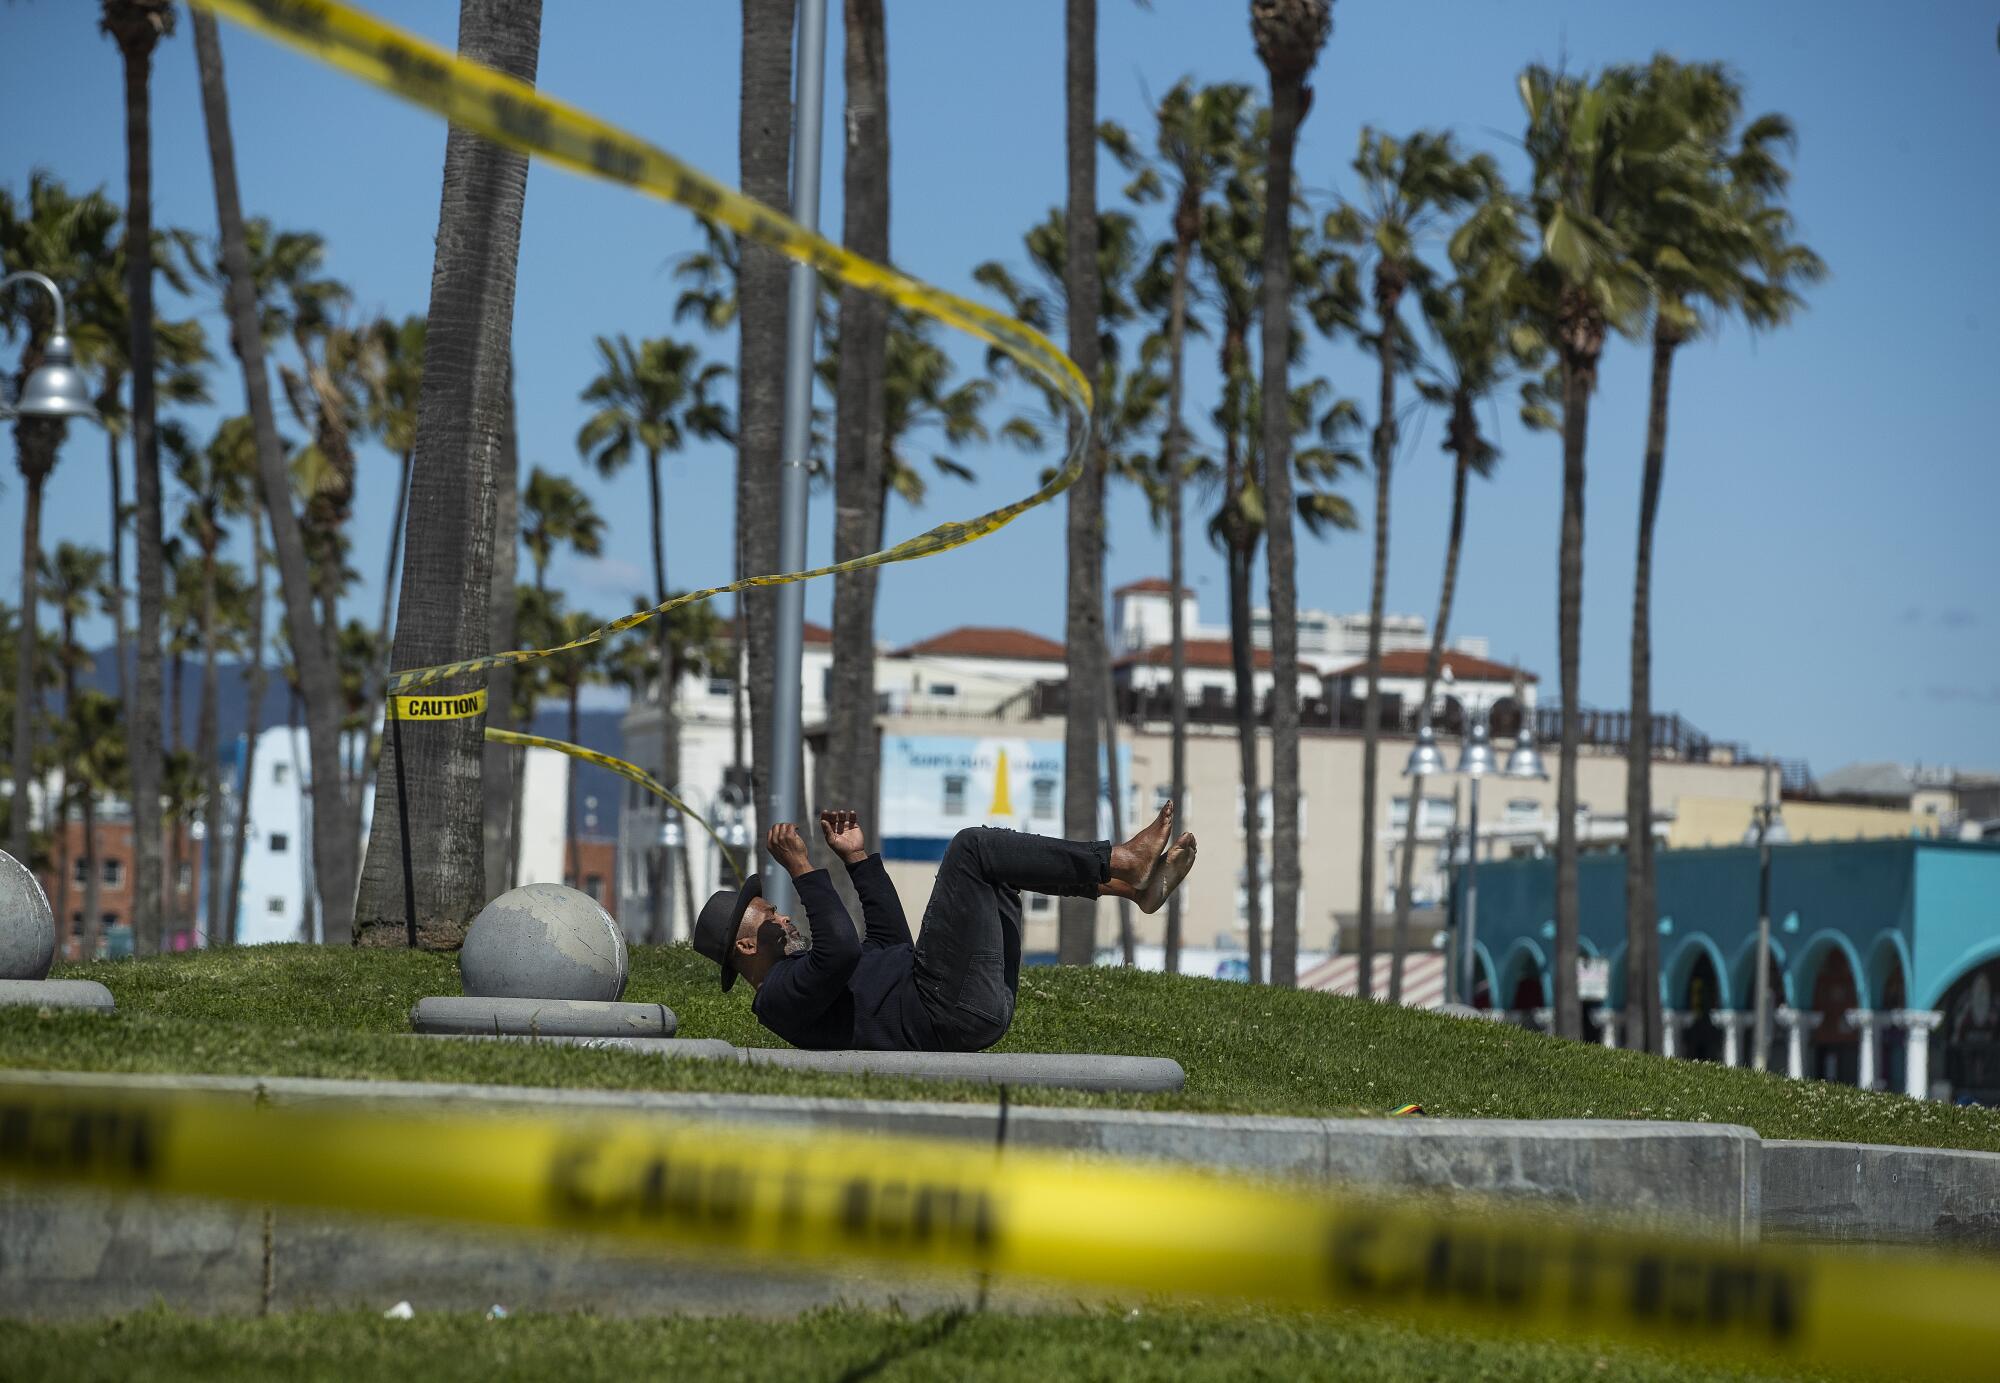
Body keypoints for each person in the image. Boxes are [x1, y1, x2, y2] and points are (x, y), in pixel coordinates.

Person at [692, 806, 1196, 1053]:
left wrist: (856, 860)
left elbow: (890, 943)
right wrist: (802, 868)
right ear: (744, 943)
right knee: (971, 848)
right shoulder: (778, 996)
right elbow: (841, 949)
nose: (783, 918)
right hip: (945, 1009)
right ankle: (1122, 860)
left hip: (968, 1005)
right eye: (769, 915)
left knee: (996, 869)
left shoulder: (801, 976)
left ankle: (1132, 888)